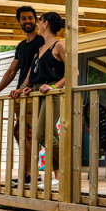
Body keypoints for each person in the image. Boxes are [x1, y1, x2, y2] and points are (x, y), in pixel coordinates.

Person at [0, 6, 45, 186]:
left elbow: (38, 67)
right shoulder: (21, 46)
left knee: (28, 133)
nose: (27, 21)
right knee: (20, 133)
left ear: (36, 20)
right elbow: (12, 71)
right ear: (19, 21)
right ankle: (30, 173)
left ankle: (31, 174)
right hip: (21, 95)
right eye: (23, 18)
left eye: (30, 18)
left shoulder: (42, 41)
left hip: (32, 92)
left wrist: (24, 87)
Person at [22, 12, 65, 188]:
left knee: (41, 134)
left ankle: (68, 166)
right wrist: (27, 87)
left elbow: (74, 72)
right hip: (40, 93)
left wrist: (54, 87)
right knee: (50, 135)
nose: (37, 24)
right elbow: (33, 74)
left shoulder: (59, 45)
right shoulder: (40, 49)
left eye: (39, 21)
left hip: (52, 94)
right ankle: (59, 177)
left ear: (45, 23)